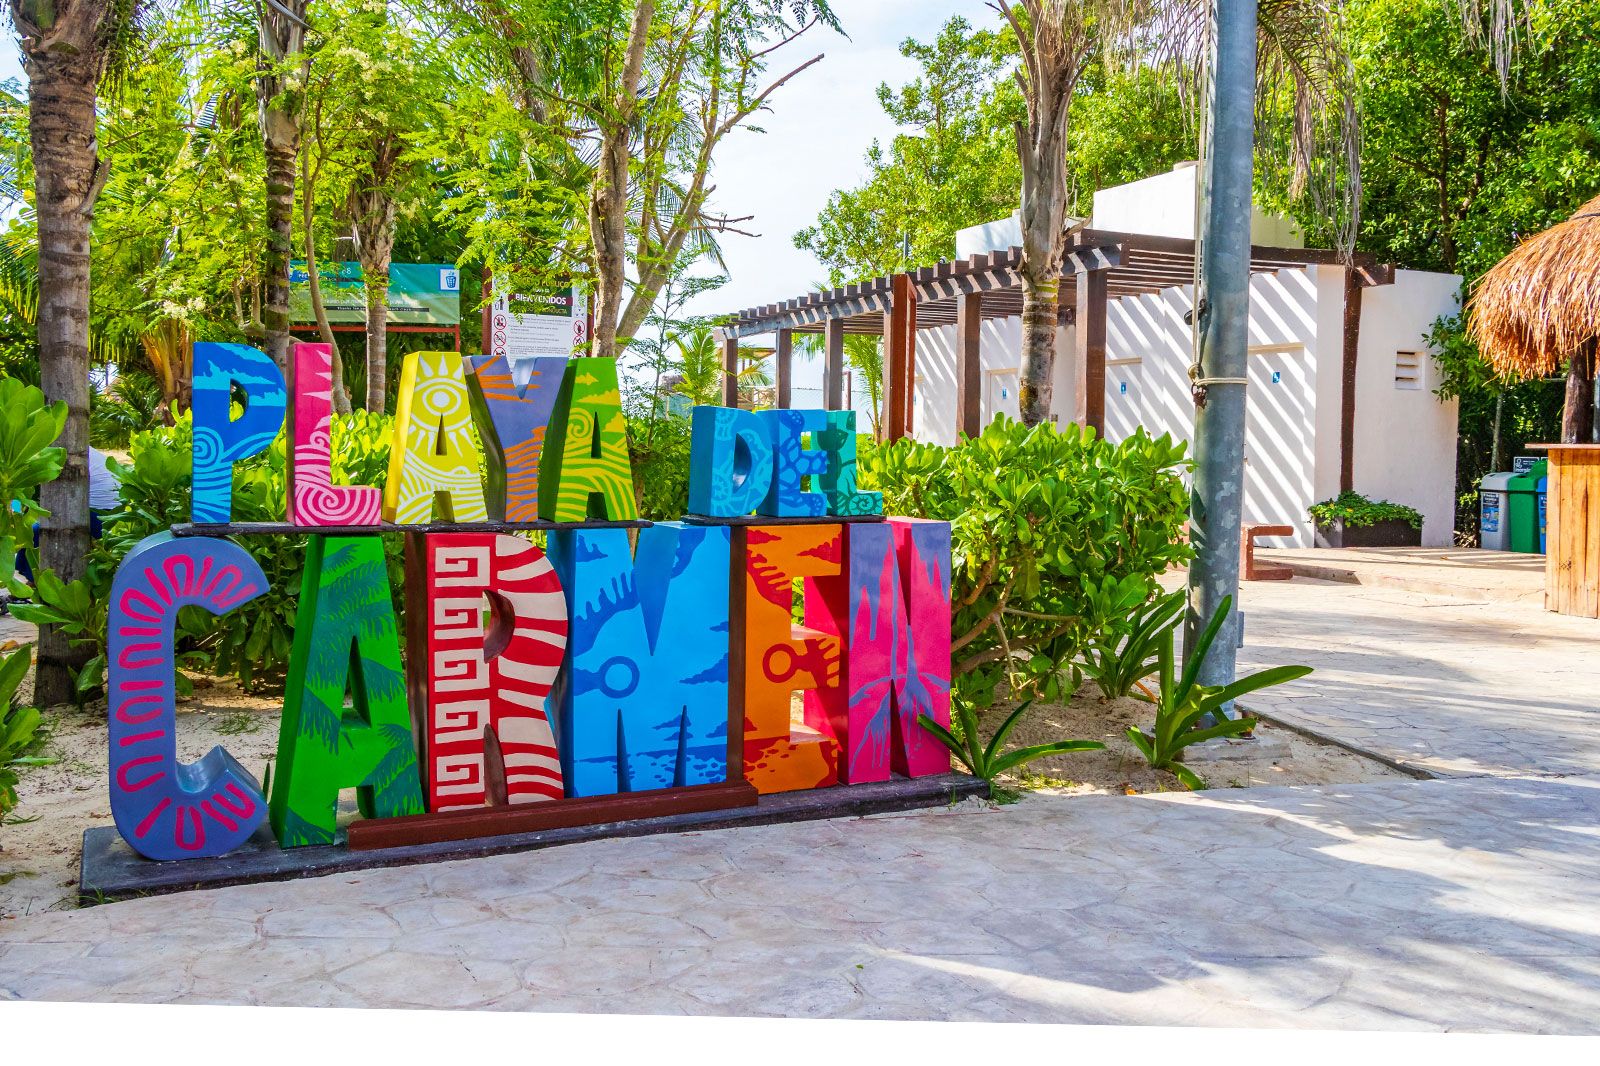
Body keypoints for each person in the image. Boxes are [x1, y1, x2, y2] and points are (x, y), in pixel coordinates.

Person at [6, 447, 119, 606]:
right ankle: (30, 588)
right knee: (38, 531)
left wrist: (15, 514)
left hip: (97, 515)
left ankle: (37, 589)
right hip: (110, 515)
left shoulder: (55, 452)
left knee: (36, 534)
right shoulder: (76, 447)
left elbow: (21, 488)